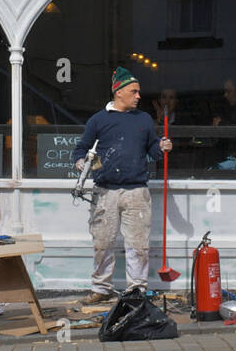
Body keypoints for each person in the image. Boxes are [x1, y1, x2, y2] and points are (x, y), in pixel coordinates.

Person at [73, 67, 172, 304]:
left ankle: (136, 289)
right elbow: (81, 148)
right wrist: (81, 163)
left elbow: (153, 150)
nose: (139, 96)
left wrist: (162, 147)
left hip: (137, 190)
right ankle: (101, 288)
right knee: (103, 242)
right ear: (118, 92)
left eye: (138, 92)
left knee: (138, 244)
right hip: (104, 190)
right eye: (134, 91)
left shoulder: (144, 119)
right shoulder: (98, 120)